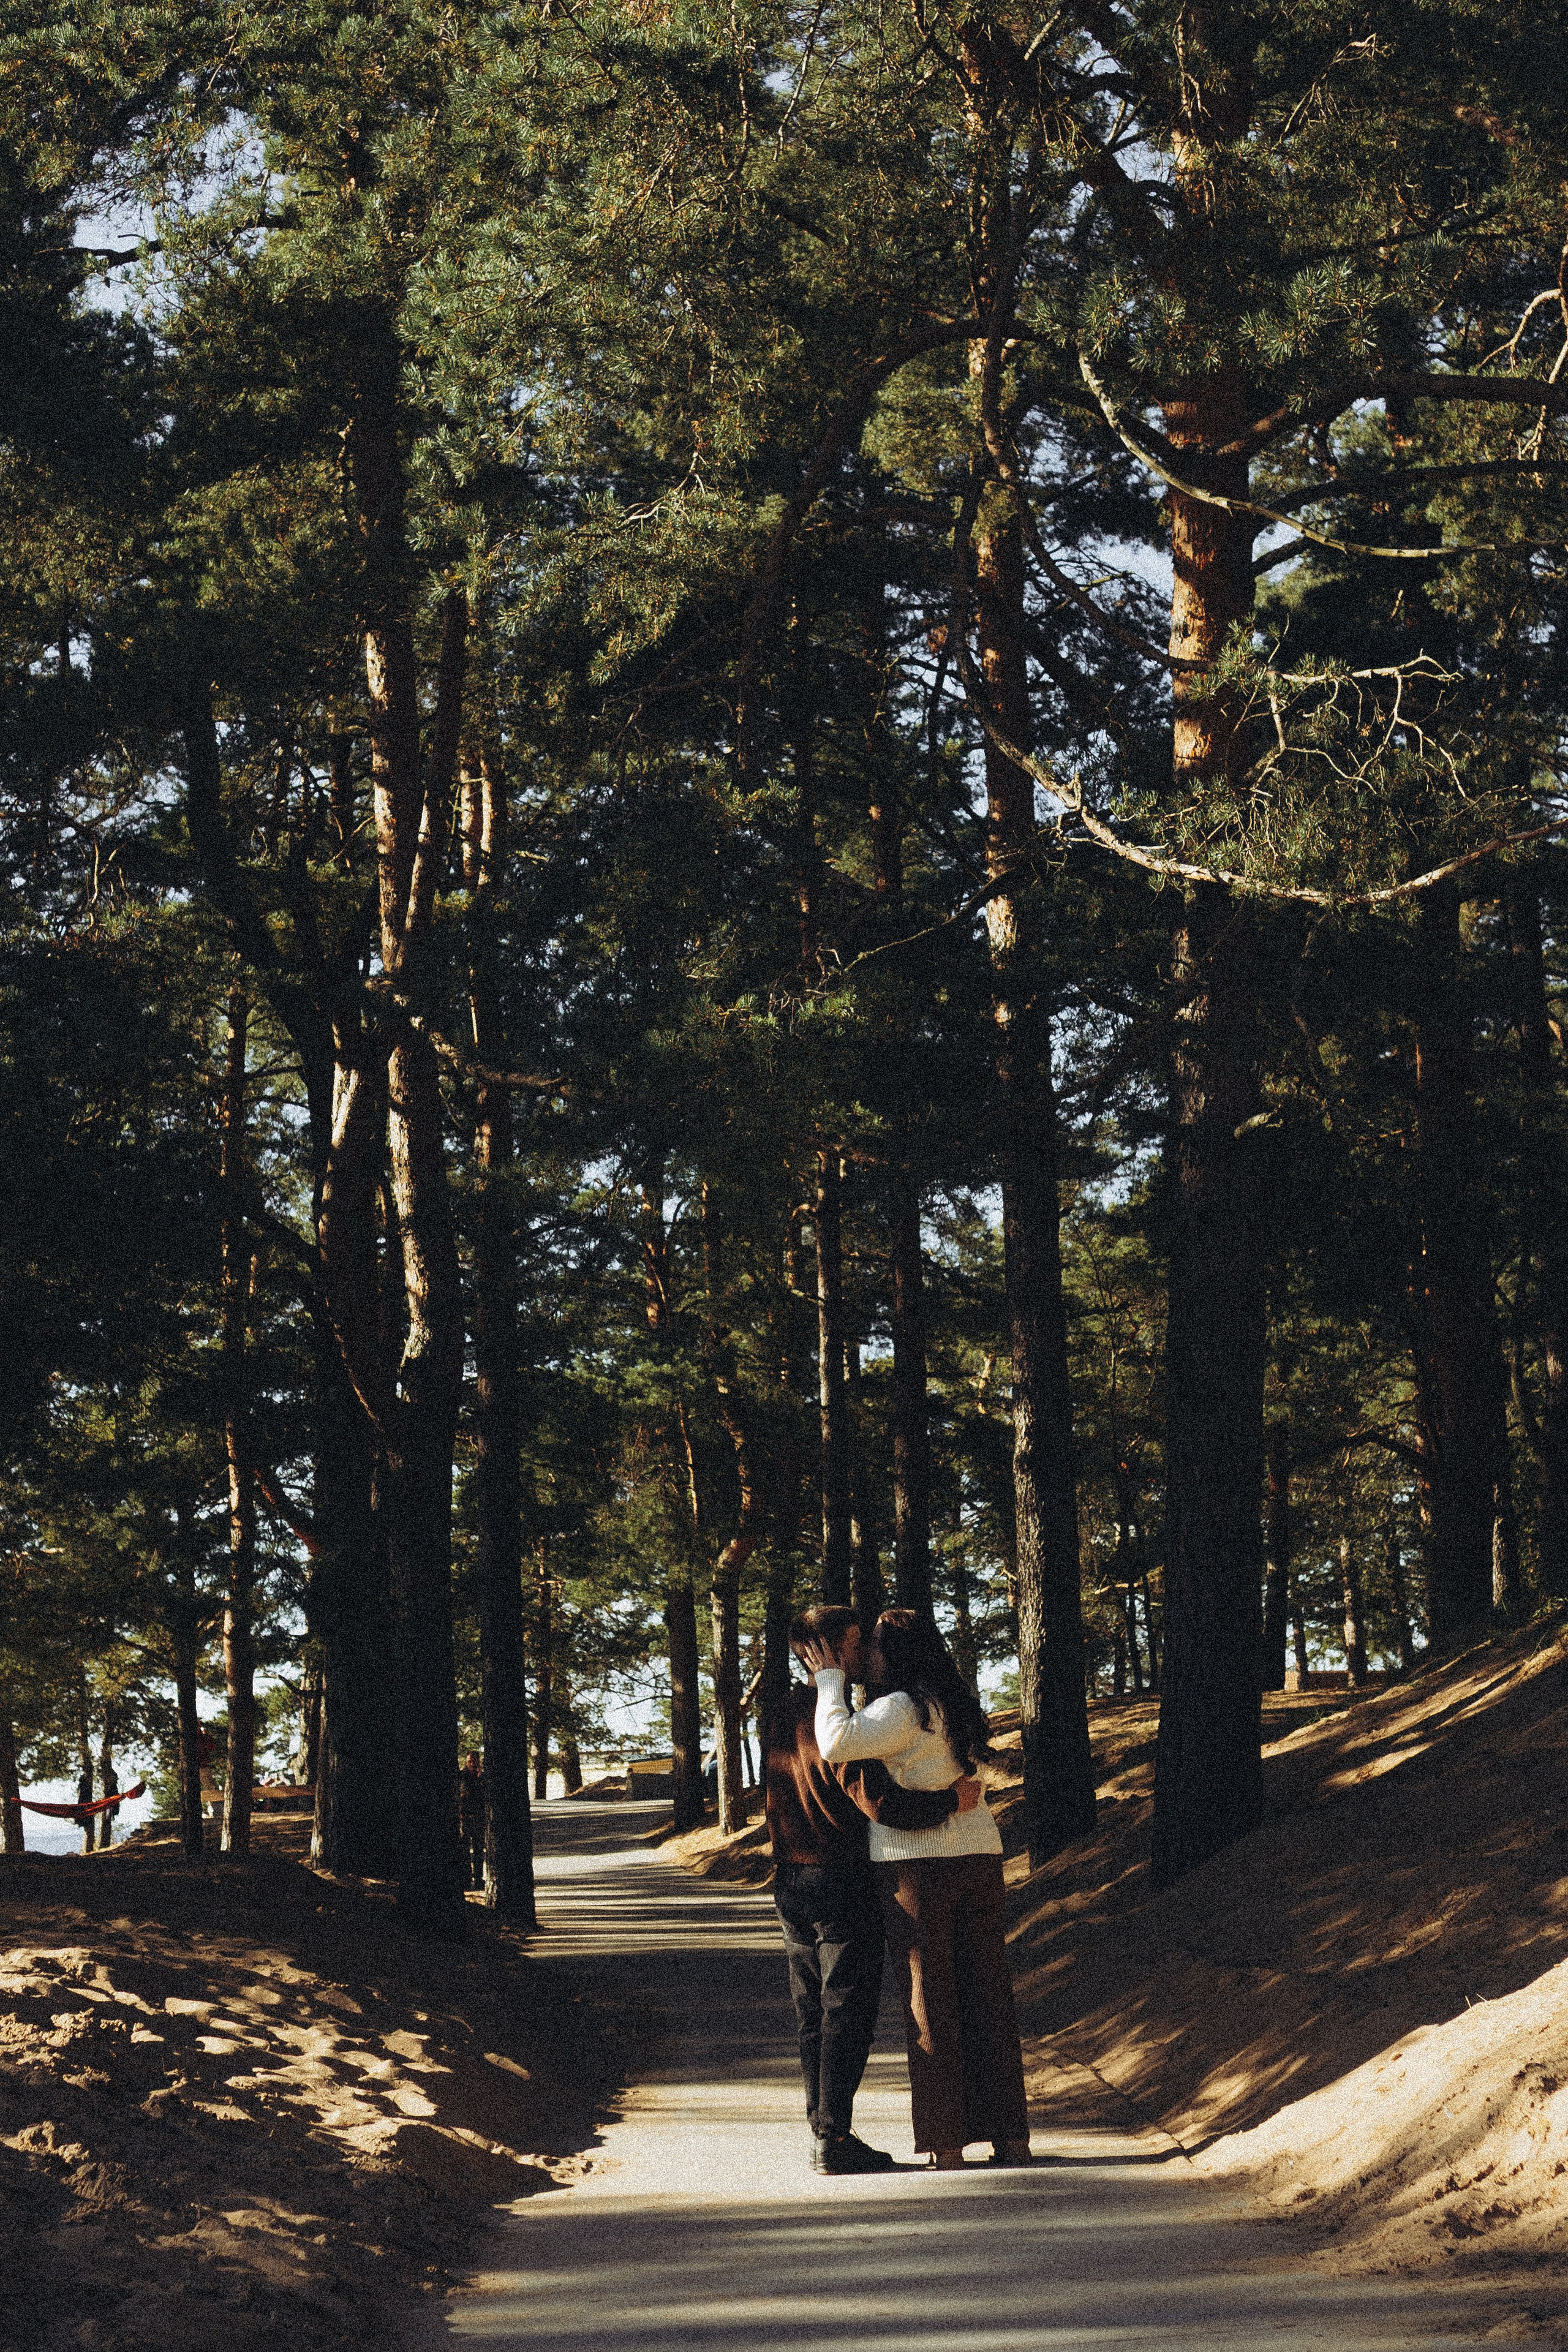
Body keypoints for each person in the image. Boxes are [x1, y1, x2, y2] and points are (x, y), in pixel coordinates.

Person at [802, 1607, 1031, 2171]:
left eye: (876, 1646)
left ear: (896, 1654)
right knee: (989, 1996)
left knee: (929, 1998)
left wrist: (829, 1681)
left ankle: (946, 2142)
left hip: (917, 1867)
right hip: (980, 1855)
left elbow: (835, 1743)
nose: (869, 1656)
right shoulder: (952, 1704)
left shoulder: (902, 1708)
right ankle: (1010, 2137)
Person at [764, 1603, 982, 2176]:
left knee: (812, 2011)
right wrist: (950, 1801)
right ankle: (833, 2137)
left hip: (790, 1878)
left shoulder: (782, 1710)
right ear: (831, 1651)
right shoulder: (834, 1719)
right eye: (858, 1642)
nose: (867, 1652)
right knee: (847, 2010)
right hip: (840, 1878)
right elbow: (879, 1802)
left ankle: (824, 2131)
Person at [458, 1751, 485, 1890]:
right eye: (470, 1761)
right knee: (464, 1850)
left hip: (478, 1818)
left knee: (479, 1850)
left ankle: (479, 1878)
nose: (472, 1764)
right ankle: (466, 1879)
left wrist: (481, 1779)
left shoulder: (483, 1777)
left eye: (474, 1761)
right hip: (464, 1818)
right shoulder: (461, 1776)